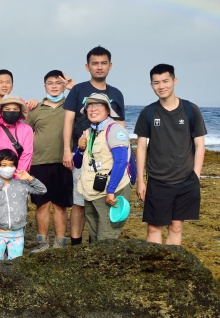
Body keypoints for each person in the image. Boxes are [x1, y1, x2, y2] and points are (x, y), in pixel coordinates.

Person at [134, 64, 207, 245]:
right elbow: (141, 147)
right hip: (158, 180)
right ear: (151, 85)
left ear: (175, 81)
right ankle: (154, 268)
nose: (161, 86)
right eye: (156, 82)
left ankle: (171, 270)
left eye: (166, 81)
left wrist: (195, 176)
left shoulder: (191, 110)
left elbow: (200, 145)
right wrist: (141, 180)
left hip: (186, 179)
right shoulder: (148, 112)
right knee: (153, 227)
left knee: (176, 226)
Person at [62, 46, 125, 246]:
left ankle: (95, 242)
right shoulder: (78, 90)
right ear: (87, 66)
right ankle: (76, 245)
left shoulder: (116, 94)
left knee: (102, 202)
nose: (99, 67)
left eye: (103, 63)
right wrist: (67, 151)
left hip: (106, 159)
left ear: (110, 66)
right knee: (80, 203)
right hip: (81, 154)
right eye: (95, 63)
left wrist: (128, 165)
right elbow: (68, 121)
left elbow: (120, 128)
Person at [73, 94, 133, 242]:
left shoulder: (115, 130)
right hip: (91, 193)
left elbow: (121, 161)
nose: (93, 109)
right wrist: (80, 149)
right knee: (93, 237)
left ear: (107, 109)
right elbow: (78, 163)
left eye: (98, 105)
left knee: (107, 239)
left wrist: (111, 191)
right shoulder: (88, 132)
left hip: (111, 192)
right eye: (90, 106)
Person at [25, 70, 74, 251]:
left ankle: (59, 244)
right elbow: (23, 133)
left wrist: (73, 88)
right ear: (44, 86)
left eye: (58, 83)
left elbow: (90, 105)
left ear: (63, 85)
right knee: (42, 204)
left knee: (61, 206)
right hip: (38, 164)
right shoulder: (36, 109)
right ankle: (42, 244)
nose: (54, 86)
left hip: (64, 163)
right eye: (50, 83)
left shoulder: (71, 106)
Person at [0, 94, 33, 251]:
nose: (11, 112)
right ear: (1, 111)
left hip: (17, 177)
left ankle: (16, 240)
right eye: (7, 109)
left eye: (15, 109)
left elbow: (26, 155)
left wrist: (15, 179)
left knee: (16, 208)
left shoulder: (26, 130)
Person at [0, 149, 46, 260]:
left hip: (17, 234)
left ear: (15, 166)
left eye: (11, 165)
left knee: (15, 265)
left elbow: (42, 190)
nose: (8, 168)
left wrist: (29, 178)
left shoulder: (21, 184)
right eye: (4, 165)